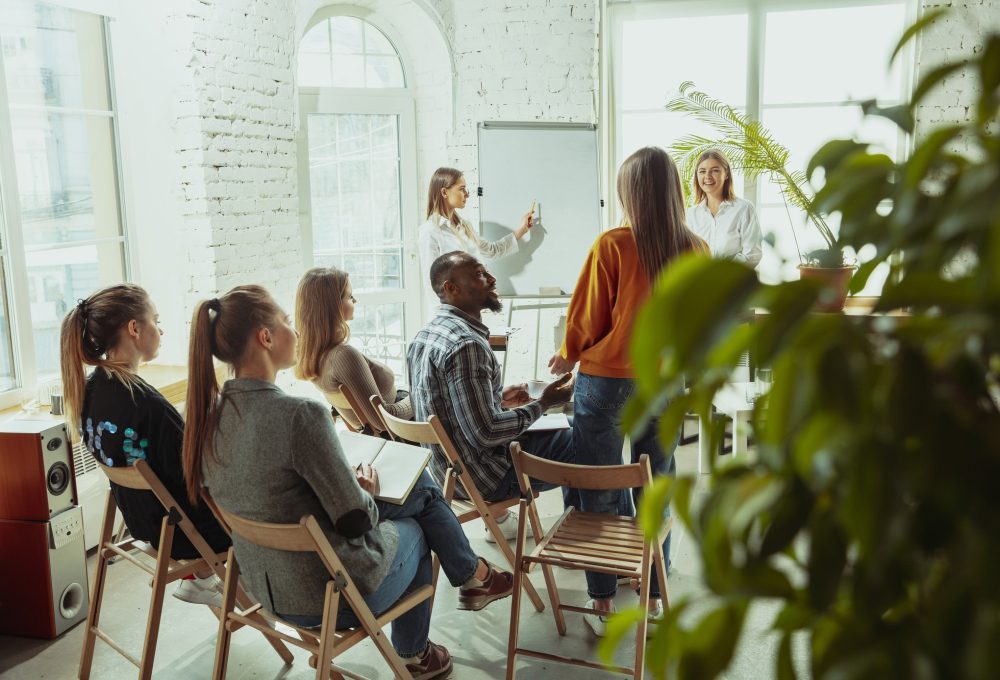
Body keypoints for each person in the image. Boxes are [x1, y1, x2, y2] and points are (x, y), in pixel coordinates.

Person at [183, 285, 513, 679]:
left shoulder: (205, 418)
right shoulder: (299, 415)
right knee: (419, 521)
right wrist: (364, 491)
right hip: (329, 598)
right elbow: (355, 519)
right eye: (287, 323)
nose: (296, 331)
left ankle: (474, 577)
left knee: (420, 491)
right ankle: (418, 651)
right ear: (265, 337)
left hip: (264, 589)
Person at [549, 146, 705, 636]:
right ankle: (654, 593)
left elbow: (587, 316)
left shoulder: (612, 244)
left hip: (607, 382)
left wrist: (568, 354)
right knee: (656, 484)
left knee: (601, 484)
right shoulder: (695, 248)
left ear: (630, 193)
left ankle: (601, 600)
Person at [60, 283, 230, 606]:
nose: (161, 329)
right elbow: (197, 475)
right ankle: (216, 576)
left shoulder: (89, 391)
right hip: (190, 535)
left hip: (145, 525)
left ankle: (202, 576)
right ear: (135, 329)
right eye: (156, 319)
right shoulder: (147, 404)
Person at [407, 251, 575, 542]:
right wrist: (543, 403)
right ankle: (588, 536)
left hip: (447, 474)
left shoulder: (425, 335)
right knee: (586, 442)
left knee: (566, 435)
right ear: (451, 288)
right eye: (479, 274)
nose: (493, 278)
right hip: (485, 478)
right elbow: (485, 433)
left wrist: (496, 398)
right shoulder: (466, 344)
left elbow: (449, 408)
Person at [294, 266, 410, 433]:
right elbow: (382, 421)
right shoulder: (343, 356)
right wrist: (417, 398)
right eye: (350, 296)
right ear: (333, 306)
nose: (355, 301)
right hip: (403, 433)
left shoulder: (312, 354)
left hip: (394, 420)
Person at [417, 167, 534, 318]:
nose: (467, 194)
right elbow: (431, 281)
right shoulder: (430, 231)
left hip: (472, 309)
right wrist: (442, 318)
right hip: (451, 315)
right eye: (462, 189)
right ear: (444, 192)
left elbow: (492, 250)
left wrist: (522, 230)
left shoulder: (464, 227)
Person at [685, 149, 762, 267]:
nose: (707, 176)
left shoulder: (744, 209)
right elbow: (686, 255)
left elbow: (753, 255)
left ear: (726, 174)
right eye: (702, 171)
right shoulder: (691, 214)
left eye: (715, 170)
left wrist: (721, 273)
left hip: (734, 282)